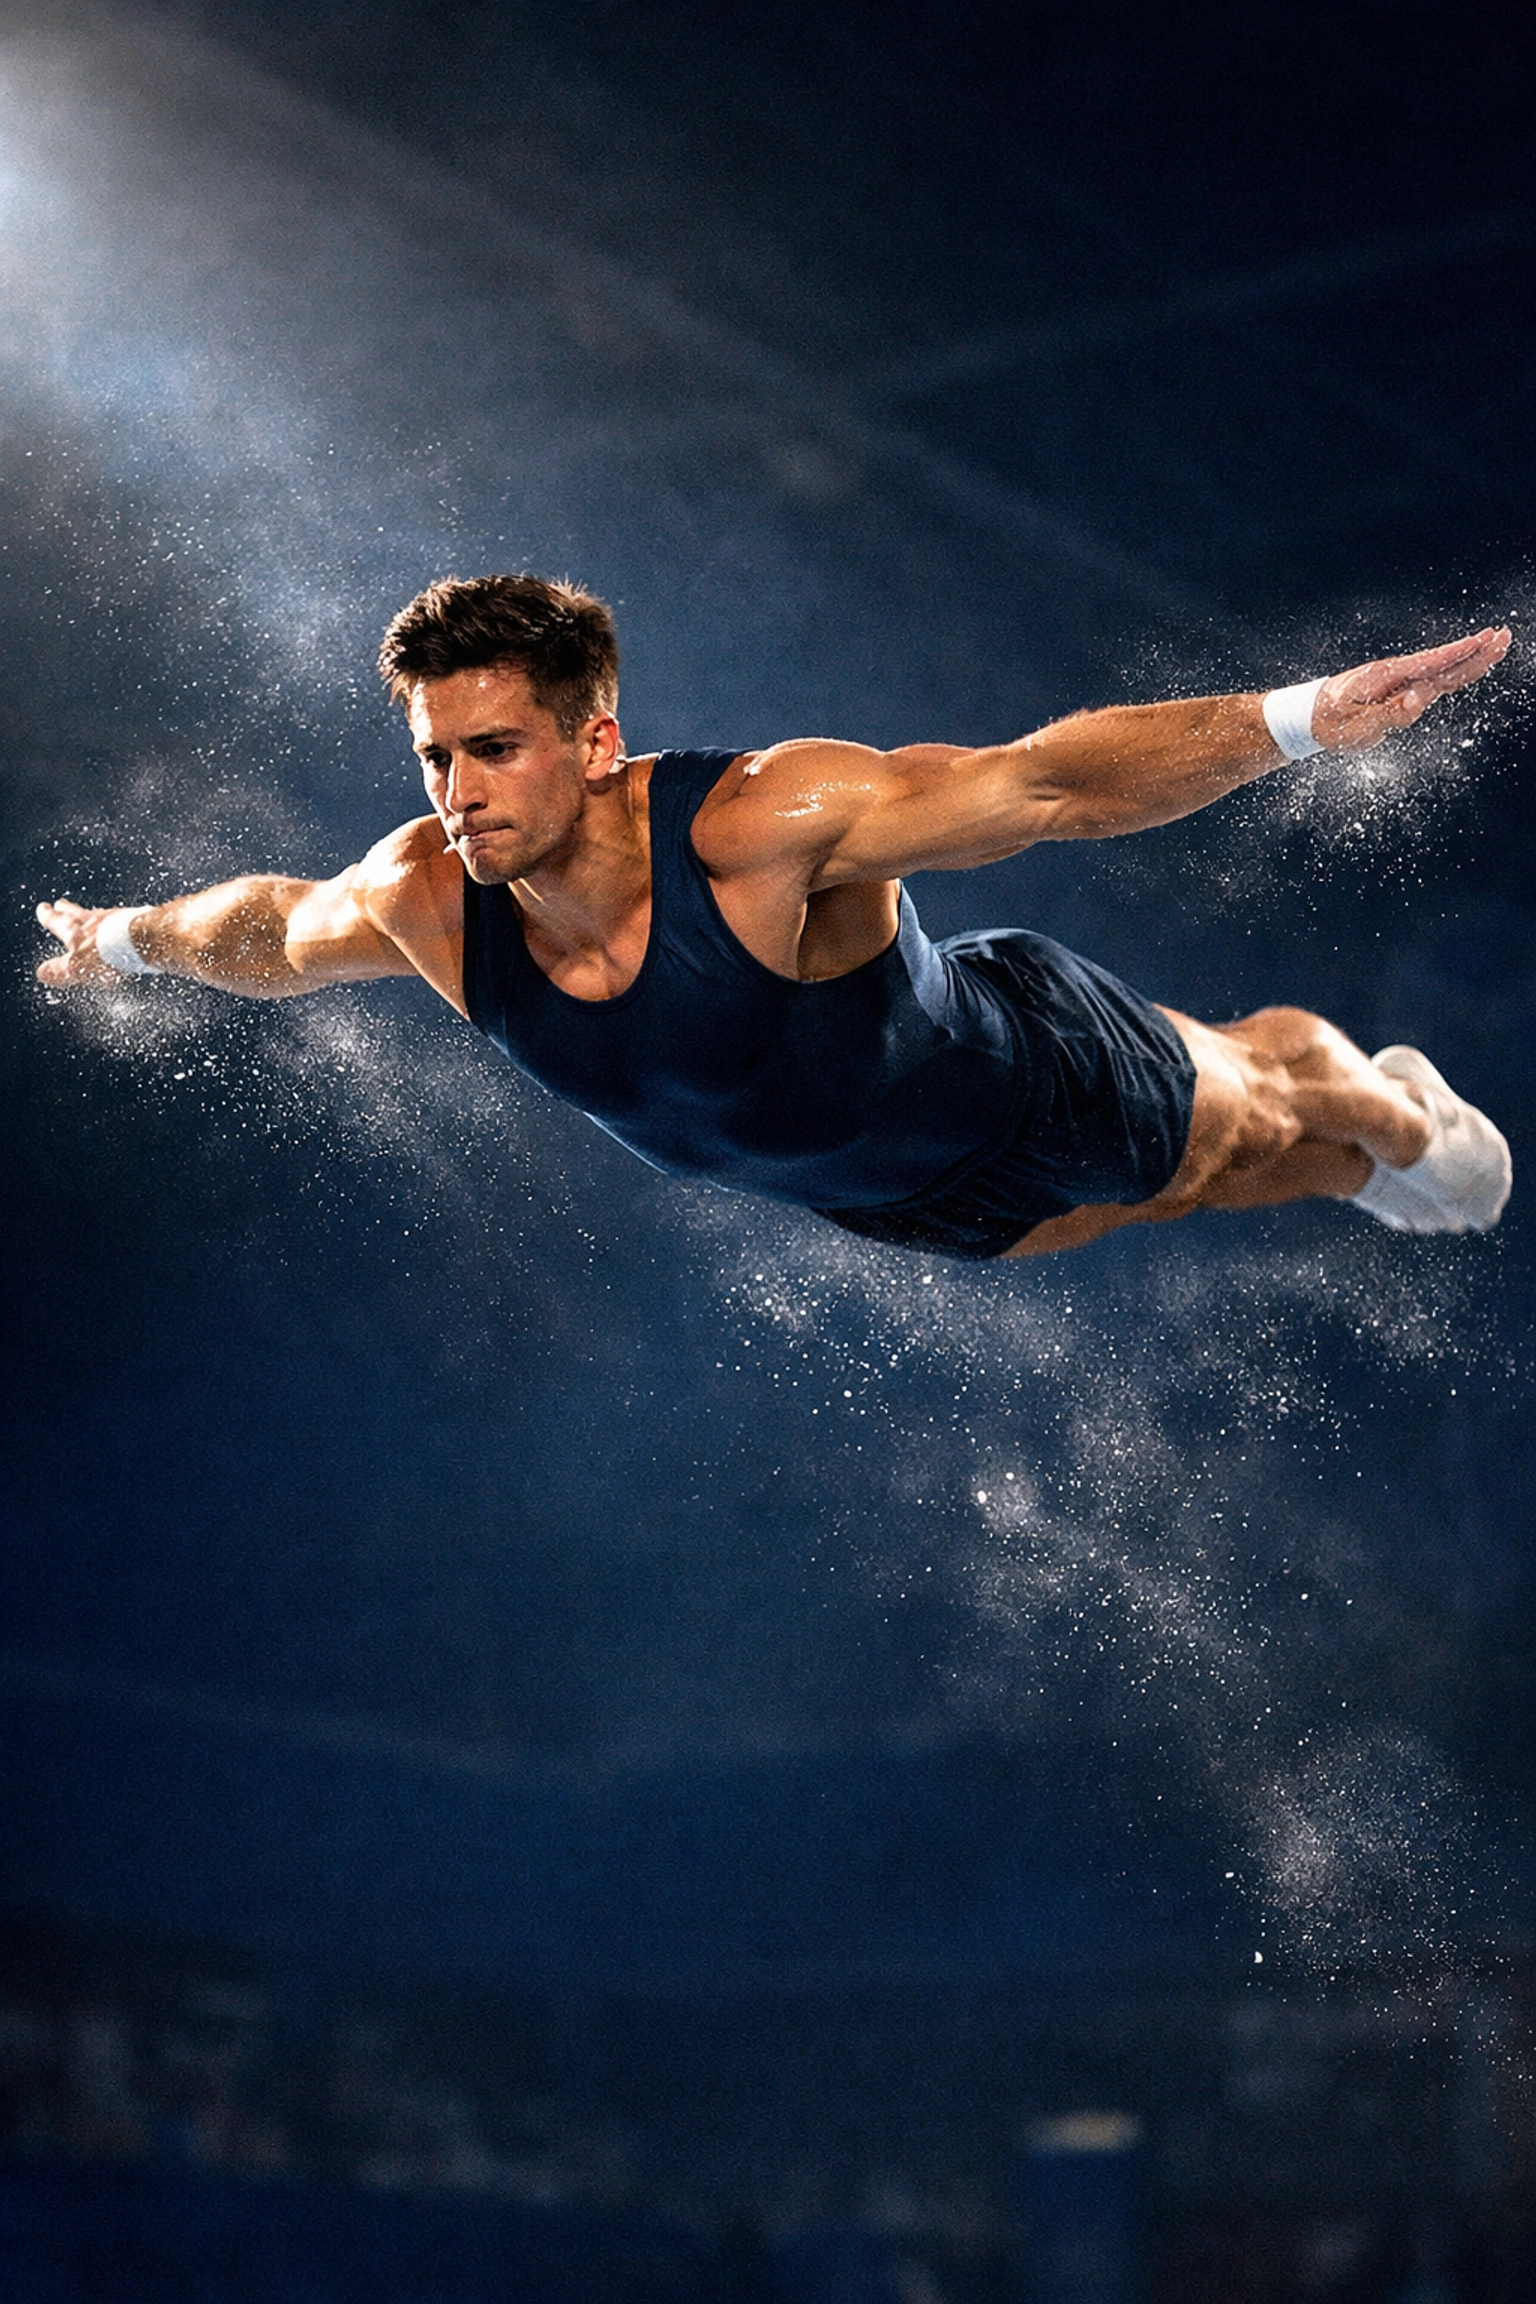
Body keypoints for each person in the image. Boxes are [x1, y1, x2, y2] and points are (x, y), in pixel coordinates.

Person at [36, 576, 1513, 1260]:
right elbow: (272, 929)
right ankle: (1357, 1145)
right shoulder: (423, 899)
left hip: (1026, 1072)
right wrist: (125, 941)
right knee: (1185, 1198)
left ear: (597, 741)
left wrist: (1303, 720)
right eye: (434, 755)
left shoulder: (758, 829)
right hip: (885, 1195)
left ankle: (1379, 1107)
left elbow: (1045, 784)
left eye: (496, 749)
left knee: (1242, 1123)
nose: (459, 790)